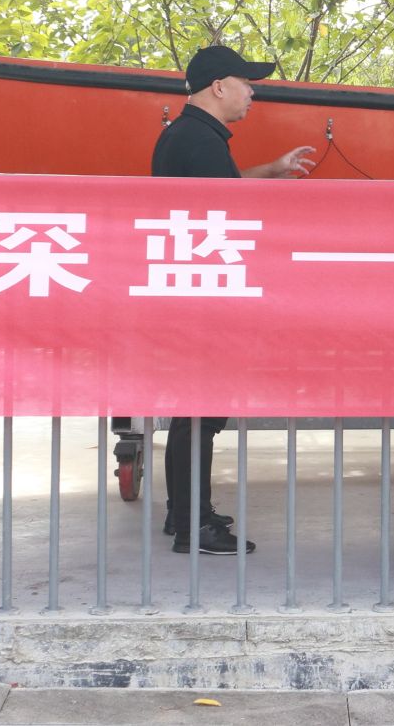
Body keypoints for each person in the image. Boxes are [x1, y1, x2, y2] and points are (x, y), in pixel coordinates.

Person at [151, 44, 316, 556]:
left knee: (193, 410)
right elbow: (225, 214)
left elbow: (223, 188)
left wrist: (271, 169)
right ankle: (193, 525)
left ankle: (183, 512)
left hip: (193, 292)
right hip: (204, 298)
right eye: (246, 84)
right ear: (219, 86)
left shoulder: (191, 136)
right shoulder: (198, 141)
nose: (252, 93)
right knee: (200, 410)